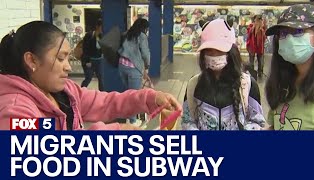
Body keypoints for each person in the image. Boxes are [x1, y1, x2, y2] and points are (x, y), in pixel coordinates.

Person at [0, 21, 182, 130]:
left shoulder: (66, 92)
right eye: (60, 58)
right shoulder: (16, 113)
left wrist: (149, 98)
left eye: (68, 58)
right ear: (32, 61)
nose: (68, 67)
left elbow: (106, 102)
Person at [181, 19, 265, 130]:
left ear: (231, 51)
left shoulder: (248, 84)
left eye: (220, 50)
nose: (214, 55)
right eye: (209, 50)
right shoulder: (193, 85)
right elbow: (187, 121)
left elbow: (258, 122)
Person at [265, 4, 314, 130]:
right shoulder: (282, 86)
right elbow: (276, 126)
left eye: (298, 31)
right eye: (283, 33)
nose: (289, 39)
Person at [117, 18, 150, 125]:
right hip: (133, 69)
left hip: (122, 66)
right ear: (144, 28)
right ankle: (132, 121)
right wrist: (147, 65)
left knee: (128, 93)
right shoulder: (142, 36)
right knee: (133, 96)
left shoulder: (126, 33)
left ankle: (128, 116)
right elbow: (145, 53)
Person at [81, 19, 104, 91]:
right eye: (101, 27)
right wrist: (87, 61)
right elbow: (85, 48)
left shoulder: (102, 36)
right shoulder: (89, 35)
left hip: (99, 60)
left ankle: (102, 93)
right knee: (88, 78)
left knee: (101, 78)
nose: (102, 29)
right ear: (97, 26)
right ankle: (80, 91)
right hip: (89, 60)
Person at [246, 15, 266, 79]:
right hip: (252, 46)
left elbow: (265, 36)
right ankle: (252, 74)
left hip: (260, 47)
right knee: (251, 61)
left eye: (259, 20)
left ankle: (260, 73)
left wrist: (261, 28)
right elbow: (249, 33)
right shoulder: (250, 26)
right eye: (257, 20)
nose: (258, 21)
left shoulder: (263, 27)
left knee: (261, 61)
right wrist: (255, 26)